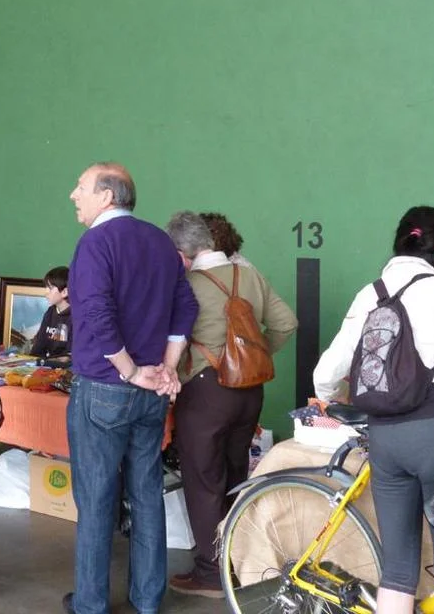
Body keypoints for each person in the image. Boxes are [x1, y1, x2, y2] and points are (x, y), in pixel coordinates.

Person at [312, 206, 434, 614]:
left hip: (386, 439)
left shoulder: (370, 293)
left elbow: (326, 372)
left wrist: (331, 397)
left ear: (400, 245)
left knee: (396, 573)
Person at [63, 163, 198, 614]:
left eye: (81, 187)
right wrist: (166, 368)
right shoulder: (160, 241)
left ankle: (90, 603)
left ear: (106, 196)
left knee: (96, 500)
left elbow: (97, 314)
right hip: (150, 393)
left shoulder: (95, 242)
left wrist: (130, 370)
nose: (73, 195)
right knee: (146, 495)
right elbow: (186, 306)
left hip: (106, 388)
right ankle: (147, 599)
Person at [165, 211, 297, 598]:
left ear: (183, 250)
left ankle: (212, 574)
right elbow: (286, 323)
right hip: (249, 390)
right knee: (235, 474)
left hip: (206, 392)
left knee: (204, 480)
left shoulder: (187, 284)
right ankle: (239, 563)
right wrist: (250, 356)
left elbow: (172, 339)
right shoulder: (250, 275)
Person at [30, 266, 71, 359]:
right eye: (46, 287)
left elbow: (69, 355)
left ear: (65, 291)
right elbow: (38, 348)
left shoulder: (77, 317)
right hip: (46, 364)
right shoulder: (50, 312)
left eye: (51, 288)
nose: (46, 292)